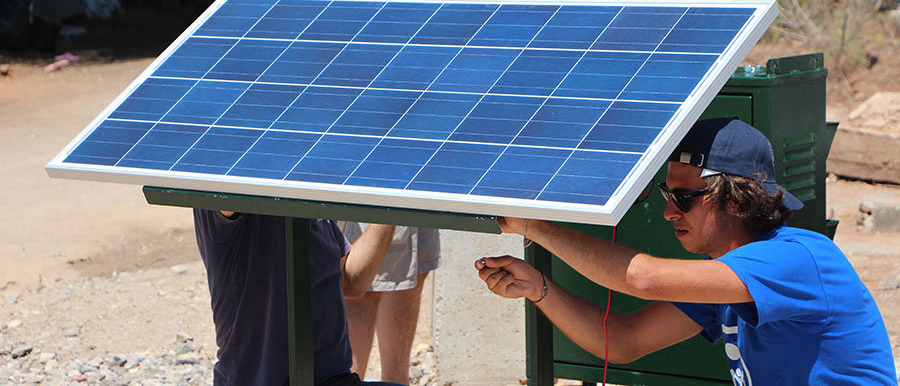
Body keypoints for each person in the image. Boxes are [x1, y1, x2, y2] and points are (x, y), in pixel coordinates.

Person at [474, 117, 897, 385]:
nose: (667, 212)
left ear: (735, 196)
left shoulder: (800, 258)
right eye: (667, 194)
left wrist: (535, 227)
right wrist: (539, 288)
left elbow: (644, 279)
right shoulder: (727, 279)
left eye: (683, 197)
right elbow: (623, 341)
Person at [194, 209, 402, 386]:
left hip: (330, 378)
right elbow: (229, 181)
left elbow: (350, 282)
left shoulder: (310, 203)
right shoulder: (226, 208)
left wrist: (388, 212)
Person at [340, 224, 440, 384]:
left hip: (415, 201)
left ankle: (397, 380)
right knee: (363, 286)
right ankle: (349, 380)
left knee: (414, 274)